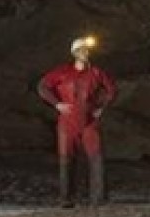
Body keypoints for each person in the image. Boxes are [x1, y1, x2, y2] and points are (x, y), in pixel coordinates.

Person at [38, 35, 116, 207]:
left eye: (87, 50)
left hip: (89, 120)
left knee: (96, 156)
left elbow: (111, 90)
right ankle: (66, 198)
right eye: (81, 50)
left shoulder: (96, 73)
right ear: (75, 53)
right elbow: (43, 87)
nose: (85, 53)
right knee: (66, 158)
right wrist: (57, 104)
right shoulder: (63, 72)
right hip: (68, 121)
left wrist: (101, 107)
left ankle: (98, 198)